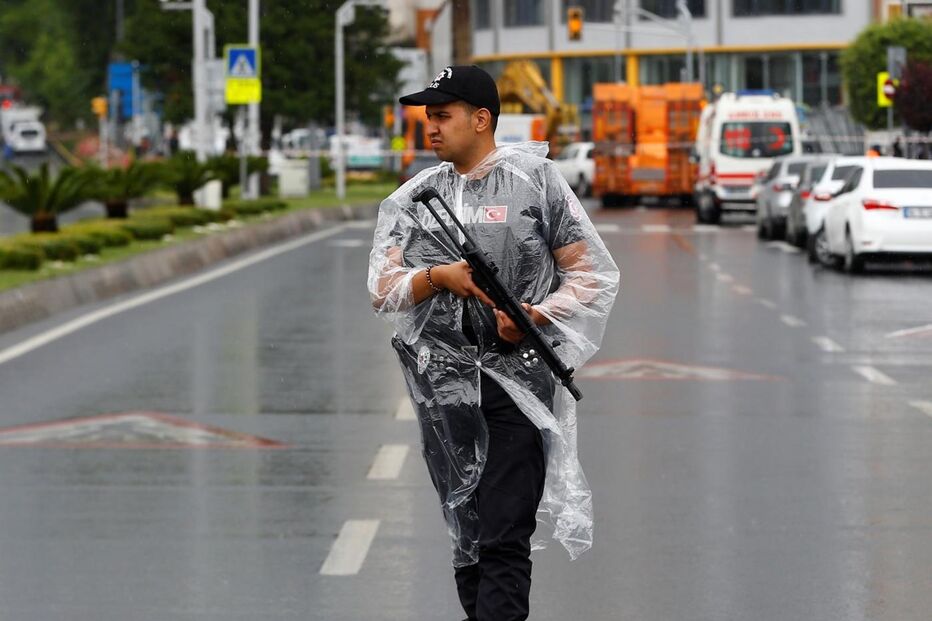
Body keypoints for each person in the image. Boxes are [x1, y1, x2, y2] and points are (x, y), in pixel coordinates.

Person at [368, 65, 619, 621]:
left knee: (506, 535)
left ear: (481, 119)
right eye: (427, 117)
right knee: (468, 534)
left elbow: (591, 276)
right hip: (443, 391)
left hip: (518, 384)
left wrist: (536, 314)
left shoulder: (538, 181)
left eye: (442, 116)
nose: (429, 128)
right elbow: (382, 291)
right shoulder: (416, 198)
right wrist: (439, 278)